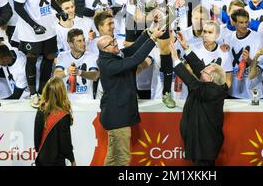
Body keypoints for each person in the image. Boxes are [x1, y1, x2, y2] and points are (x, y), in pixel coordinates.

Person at [96, 27, 164, 166]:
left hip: (117, 115)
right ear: (104, 50)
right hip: (117, 117)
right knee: (122, 159)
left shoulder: (113, 55)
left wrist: (147, 33)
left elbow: (132, 50)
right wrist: (153, 39)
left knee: (113, 156)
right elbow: (136, 59)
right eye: (111, 44)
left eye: (114, 40)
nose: (115, 43)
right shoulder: (108, 64)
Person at [13, 0, 68, 108]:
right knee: (31, 57)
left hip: (48, 26)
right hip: (31, 30)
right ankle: (32, 94)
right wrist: (33, 25)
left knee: (50, 56)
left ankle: (43, 90)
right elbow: (18, 6)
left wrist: (59, 10)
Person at [170, 38, 228, 166]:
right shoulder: (212, 85)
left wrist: (175, 60)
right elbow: (199, 67)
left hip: (204, 146)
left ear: (211, 78)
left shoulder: (211, 91)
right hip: (203, 144)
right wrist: (186, 48)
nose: (201, 71)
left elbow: (191, 81)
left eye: (205, 71)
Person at [34, 77, 76, 166]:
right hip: (57, 161)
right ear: (62, 93)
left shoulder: (41, 110)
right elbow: (65, 143)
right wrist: (72, 159)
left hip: (42, 159)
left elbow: (37, 138)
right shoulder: (63, 116)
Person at [53, 28, 100, 100]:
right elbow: (56, 75)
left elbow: (95, 76)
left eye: (83, 40)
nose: (83, 43)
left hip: (86, 101)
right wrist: (67, 72)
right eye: (79, 41)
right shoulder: (62, 56)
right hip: (66, 100)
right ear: (71, 44)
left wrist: (79, 72)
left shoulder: (92, 56)